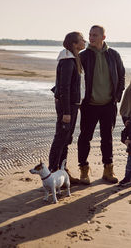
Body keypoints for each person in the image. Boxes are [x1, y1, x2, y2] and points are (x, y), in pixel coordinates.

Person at [78, 25, 125, 184]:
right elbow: (73, 76)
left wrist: (117, 97)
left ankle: (108, 169)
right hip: (89, 105)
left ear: (103, 37)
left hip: (108, 105)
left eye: (94, 35)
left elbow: (122, 76)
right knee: (85, 137)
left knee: (107, 138)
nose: (91, 38)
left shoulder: (113, 55)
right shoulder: (83, 56)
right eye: (90, 35)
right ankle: (84, 170)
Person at [48, 32, 85, 183]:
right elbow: (64, 88)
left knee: (66, 138)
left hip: (71, 105)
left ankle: (62, 172)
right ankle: (53, 172)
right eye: (82, 40)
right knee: (61, 138)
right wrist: (66, 112)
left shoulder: (72, 59)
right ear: (75, 44)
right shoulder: (68, 61)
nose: (85, 42)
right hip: (68, 106)